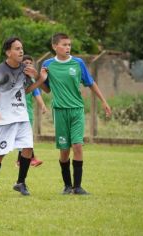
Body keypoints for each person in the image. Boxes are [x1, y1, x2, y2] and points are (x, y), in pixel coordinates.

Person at [39, 33, 111, 195]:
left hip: (77, 110)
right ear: (54, 46)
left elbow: (90, 83)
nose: (67, 48)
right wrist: (38, 78)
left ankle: (77, 187)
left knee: (77, 146)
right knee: (64, 150)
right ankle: (67, 186)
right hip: (59, 111)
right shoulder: (47, 64)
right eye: (64, 45)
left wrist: (104, 101)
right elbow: (47, 88)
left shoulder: (78, 63)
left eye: (69, 45)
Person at [0, 37, 45, 197]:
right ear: (8, 52)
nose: (21, 51)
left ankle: (21, 182)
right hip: (5, 119)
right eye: (17, 48)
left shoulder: (24, 69)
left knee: (27, 148)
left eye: (22, 48)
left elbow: (27, 90)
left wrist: (40, 78)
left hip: (22, 116)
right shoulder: (1, 70)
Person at [0, 55, 48, 167]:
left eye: (30, 63)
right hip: (10, 114)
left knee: (26, 140)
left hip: (26, 114)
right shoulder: (12, 74)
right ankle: (25, 160)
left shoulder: (30, 79)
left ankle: (24, 164)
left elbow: (37, 92)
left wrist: (42, 105)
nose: (28, 65)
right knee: (11, 145)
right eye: (26, 62)